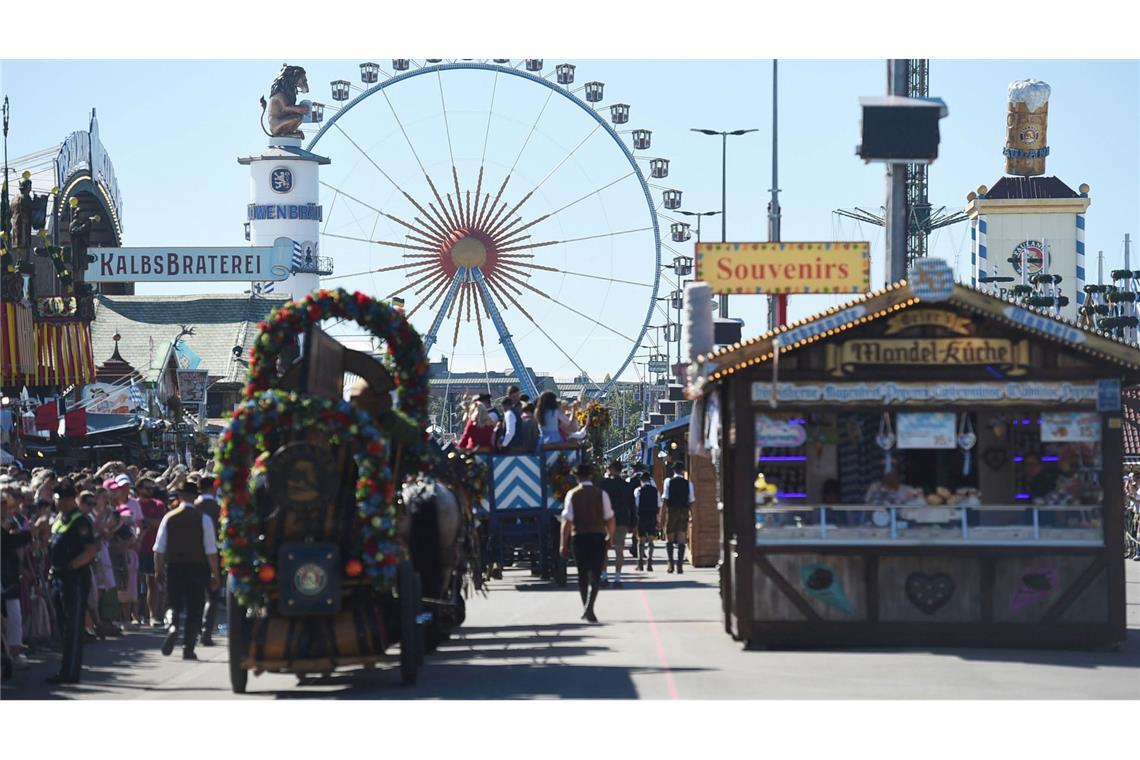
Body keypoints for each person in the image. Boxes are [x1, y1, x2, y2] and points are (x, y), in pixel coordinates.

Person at [153, 479, 220, 660]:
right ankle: (188, 648)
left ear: (180, 496)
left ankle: (172, 627)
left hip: (174, 567)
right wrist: (215, 573)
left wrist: (158, 570)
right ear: (195, 496)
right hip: (198, 568)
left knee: (173, 604)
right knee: (195, 608)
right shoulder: (203, 519)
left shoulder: (169, 517)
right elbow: (211, 550)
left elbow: (159, 549)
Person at [47, 479, 98, 684]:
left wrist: (71, 567)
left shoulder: (80, 520)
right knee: (63, 626)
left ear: (69, 500)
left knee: (73, 627)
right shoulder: (60, 519)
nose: (56, 501)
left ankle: (71, 673)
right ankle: (64, 669)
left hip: (73, 579)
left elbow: (90, 550)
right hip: (57, 577)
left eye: (59, 498)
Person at [560, 463, 614, 622]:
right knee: (595, 574)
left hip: (579, 537)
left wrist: (563, 543)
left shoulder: (572, 494)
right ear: (591, 476)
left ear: (576, 476)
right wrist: (610, 537)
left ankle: (587, 608)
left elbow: (567, 521)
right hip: (597, 537)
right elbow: (610, 518)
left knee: (582, 573)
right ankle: (589, 608)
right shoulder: (601, 494)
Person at [135, 477, 167, 627]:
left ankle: (153, 616)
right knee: (133, 584)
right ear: (139, 489)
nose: (150, 491)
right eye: (146, 488)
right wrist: (147, 521)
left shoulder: (158, 504)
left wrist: (144, 521)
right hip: (135, 548)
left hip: (152, 549)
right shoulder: (134, 504)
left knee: (152, 584)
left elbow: (159, 523)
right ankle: (134, 616)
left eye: (151, 488)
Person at [195, 475, 222, 646]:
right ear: (213, 488)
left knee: (196, 595)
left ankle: (197, 630)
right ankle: (206, 630)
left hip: (192, 556)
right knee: (212, 595)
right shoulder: (218, 508)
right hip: (214, 554)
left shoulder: (192, 507)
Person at [599, 460, 636, 587]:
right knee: (619, 550)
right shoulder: (627, 486)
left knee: (604, 550)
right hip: (621, 520)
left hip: (605, 520)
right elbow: (632, 506)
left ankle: (604, 576)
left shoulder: (603, 485)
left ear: (612, 469)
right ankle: (617, 578)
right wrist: (633, 523)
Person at [662, 462, 695, 574]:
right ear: (682, 471)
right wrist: (692, 516)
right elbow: (691, 500)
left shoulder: (668, 481)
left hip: (672, 510)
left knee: (670, 536)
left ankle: (671, 564)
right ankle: (680, 565)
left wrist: (662, 516)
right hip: (684, 510)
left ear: (674, 470)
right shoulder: (688, 483)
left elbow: (665, 499)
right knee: (682, 536)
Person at [633, 472, 661, 571]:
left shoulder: (638, 491)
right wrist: (658, 520)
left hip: (642, 517)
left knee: (641, 541)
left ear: (641, 481)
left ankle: (640, 563)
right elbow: (658, 506)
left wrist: (635, 520)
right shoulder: (655, 491)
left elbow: (636, 505)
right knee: (651, 540)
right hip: (652, 516)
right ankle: (649, 562)